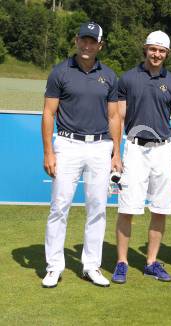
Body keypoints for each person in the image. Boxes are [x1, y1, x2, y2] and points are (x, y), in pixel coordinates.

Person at [41, 22, 121, 288]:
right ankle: (54, 266)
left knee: (97, 207)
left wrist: (116, 153)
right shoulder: (60, 72)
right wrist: (48, 151)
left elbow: (113, 116)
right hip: (67, 144)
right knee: (59, 206)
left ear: (100, 45)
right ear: (76, 41)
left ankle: (91, 265)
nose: (87, 45)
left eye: (92, 41)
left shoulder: (109, 76)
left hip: (100, 147)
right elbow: (49, 113)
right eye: (83, 40)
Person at [111, 30, 171, 283]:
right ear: (145, 49)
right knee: (127, 208)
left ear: (167, 54)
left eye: (162, 50)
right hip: (133, 149)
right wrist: (116, 154)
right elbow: (119, 118)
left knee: (160, 209)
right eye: (153, 49)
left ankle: (151, 262)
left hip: (163, 151)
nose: (157, 54)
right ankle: (121, 262)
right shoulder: (128, 79)